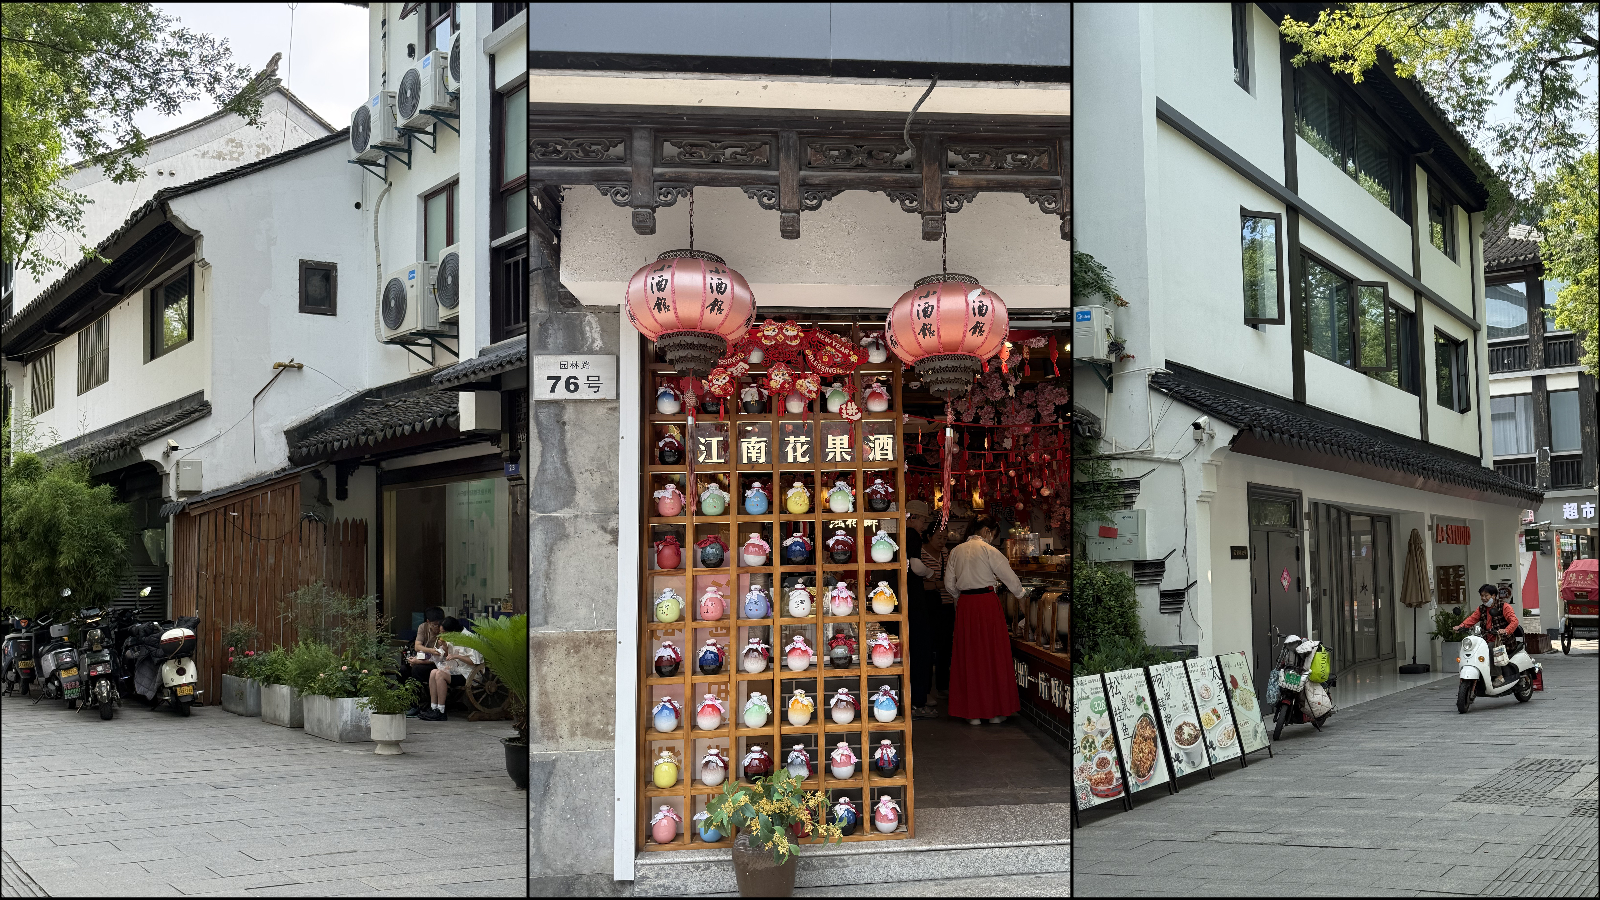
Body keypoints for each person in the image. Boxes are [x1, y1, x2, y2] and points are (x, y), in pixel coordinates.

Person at [944, 517, 1024, 725]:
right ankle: (995, 711)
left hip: (966, 605)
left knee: (969, 654)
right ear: (987, 531)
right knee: (992, 653)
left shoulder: (956, 551)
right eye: (994, 535)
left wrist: (959, 595)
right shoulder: (989, 551)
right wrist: (1022, 595)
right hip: (987, 603)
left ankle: (973, 713)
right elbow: (1010, 579)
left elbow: (949, 585)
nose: (993, 540)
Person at [904, 501, 939, 719]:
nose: (924, 525)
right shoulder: (912, 535)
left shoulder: (899, 535)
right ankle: (918, 701)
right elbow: (915, 565)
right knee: (919, 649)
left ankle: (916, 698)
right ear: (913, 518)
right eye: (922, 520)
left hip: (903, 597)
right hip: (914, 599)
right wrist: (930, 574)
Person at [1455, 584, 1521, 686]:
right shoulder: (1481, 609)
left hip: (1503, 640)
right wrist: (1460, 626)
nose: (1483, 598)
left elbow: (1514, 621)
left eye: (1486, 596)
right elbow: (1472, 619)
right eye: (1482, 596)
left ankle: (1499, 676)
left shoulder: (1504, 606)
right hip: (1486, 638)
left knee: (1490, 647)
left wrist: (1505, 630)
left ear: (1494, 596)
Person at [419, 617, 483, 721]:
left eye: (444, 632)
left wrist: (457, 656)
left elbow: (474, 661)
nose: (442, 635)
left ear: (452, 631)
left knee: (439, 674)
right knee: (433, 672)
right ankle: (433, 707)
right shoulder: (452, 638)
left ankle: (441, 710)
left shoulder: (469, 638)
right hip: (455, 670)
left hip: (469, 675)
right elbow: (448, 655)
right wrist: (444, 646)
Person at [402, 606, 445, 718]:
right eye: (434, 624)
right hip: (425, 658)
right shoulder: (423, 627)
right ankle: (410, 702)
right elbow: (417, 646)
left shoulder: (444, 629)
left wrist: (419, 661)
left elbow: (441, 656)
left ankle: (417, 705)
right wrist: (430, 650)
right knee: (403, 670)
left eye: (439, 624)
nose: (437, 628)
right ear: (428, 622)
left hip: (437, 663)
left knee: (417, 669)